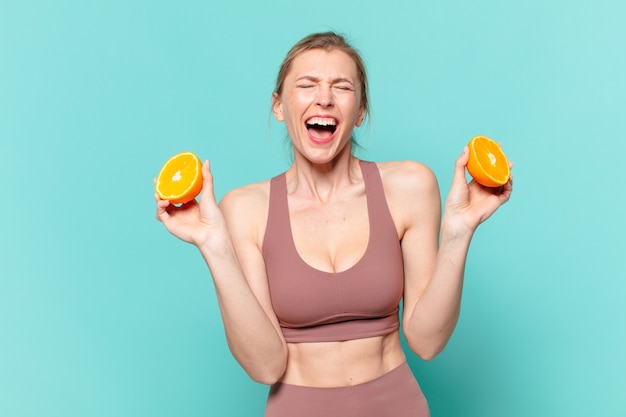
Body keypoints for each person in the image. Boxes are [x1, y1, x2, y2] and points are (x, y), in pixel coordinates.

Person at [155, 31, 512, 417]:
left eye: (341, 87)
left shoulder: (410, 186)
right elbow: (265, 366)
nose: (324, 97)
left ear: (360, 111)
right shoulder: (244, 209)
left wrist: (459, 232)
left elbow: (427, 342)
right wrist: (214, 245)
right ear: (278, 105)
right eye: (307, 85)